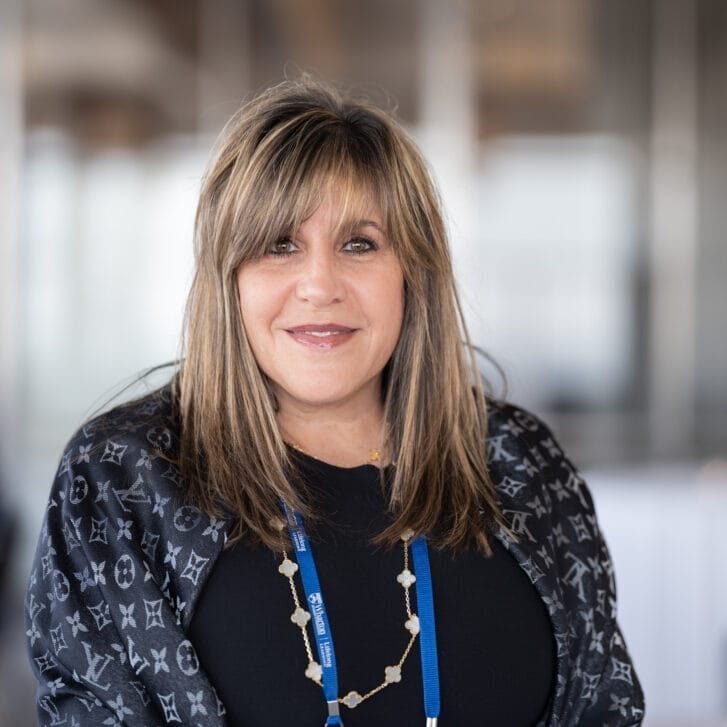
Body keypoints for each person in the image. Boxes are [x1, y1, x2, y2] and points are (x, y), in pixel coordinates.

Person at [25, 79, 644, 726]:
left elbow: (604, 705)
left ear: (412, 271)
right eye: (279, 244)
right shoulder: (122, 479)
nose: (319, 284)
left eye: (359, 243)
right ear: (227, 276)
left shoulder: (520, 462)